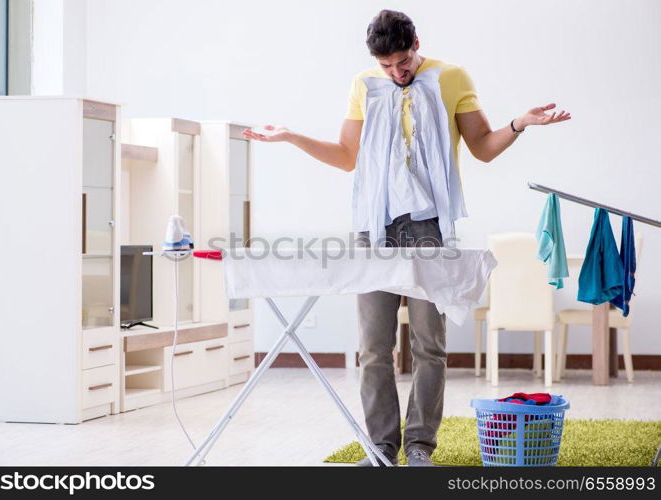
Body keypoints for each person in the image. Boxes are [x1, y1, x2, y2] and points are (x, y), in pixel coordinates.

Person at [243, 9, 570, 466]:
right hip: (374, 226)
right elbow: (345, 157)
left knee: (428, 344)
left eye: (402, 62)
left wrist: (519, 124)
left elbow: (482, 148)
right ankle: (381, 448)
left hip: (427, 225)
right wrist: (291, 137)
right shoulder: (364, 85)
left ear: (416, 42)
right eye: (386, 66)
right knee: (374, 346)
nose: (396, 73)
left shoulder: (451, 77)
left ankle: (419, 446)